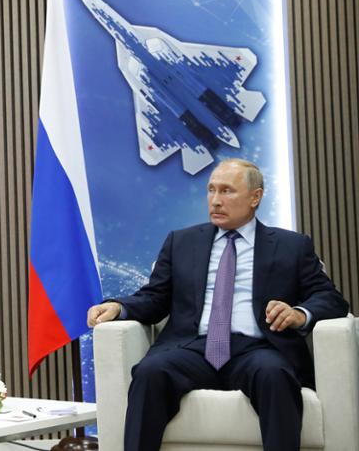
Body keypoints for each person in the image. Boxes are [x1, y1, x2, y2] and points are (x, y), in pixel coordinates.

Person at [87, 158, 348, 451]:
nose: (215, 200)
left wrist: (299, 314)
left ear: (255, 197)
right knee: (150, 372)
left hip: (258, 348)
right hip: (193, 347)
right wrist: (119, 307)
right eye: (211, 190)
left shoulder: (292, 246)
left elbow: (331, 299)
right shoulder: (180, 242)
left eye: (226, 191)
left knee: (275, 375)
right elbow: (155, 298)